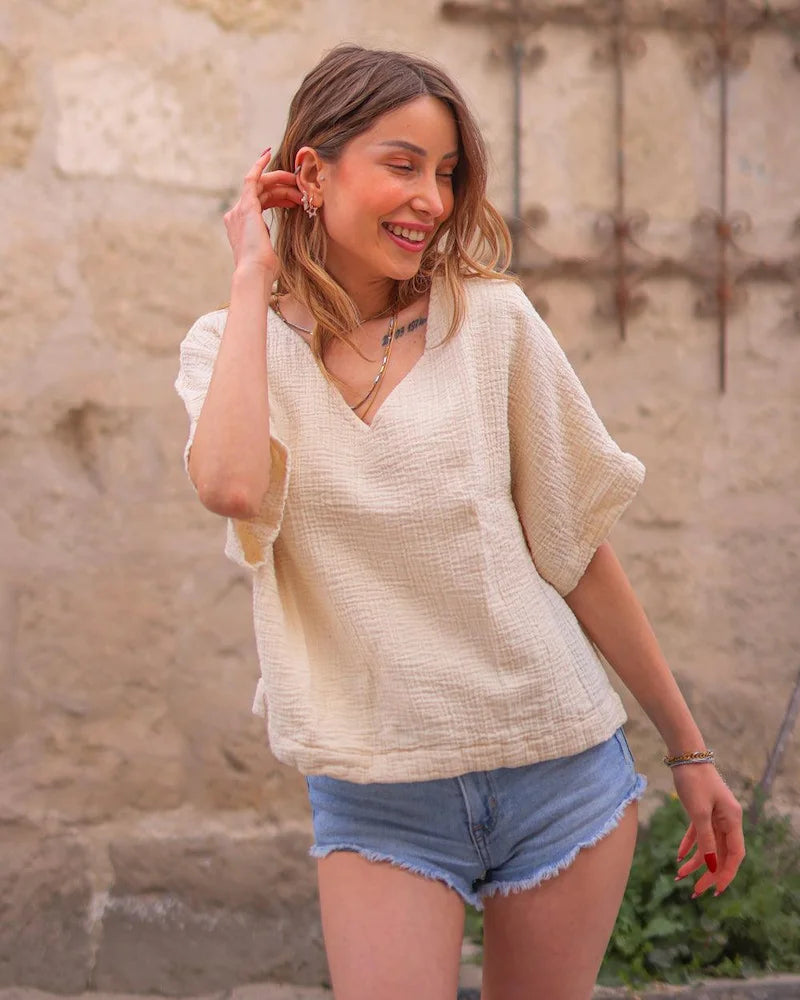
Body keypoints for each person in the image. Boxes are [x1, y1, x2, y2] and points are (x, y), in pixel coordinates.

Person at [175, 43, 745, 1000]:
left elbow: (576, 550)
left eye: (446, 174)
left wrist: (689, 752)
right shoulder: (229, 346)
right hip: (378, 794)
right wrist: (248, 277)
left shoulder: (491, 323)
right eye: (403, 165)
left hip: (558, 769)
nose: (431, 201)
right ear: (311, 172)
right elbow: (231, 486)